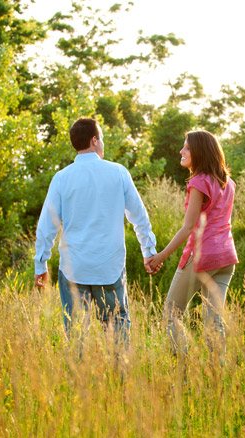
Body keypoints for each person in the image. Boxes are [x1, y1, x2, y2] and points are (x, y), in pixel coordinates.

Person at [34, 117, 157, 344]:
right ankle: (120, 378)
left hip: (74, 268)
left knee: (76, 330)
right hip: (109, 267)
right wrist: (148, 251)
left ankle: (78, 379)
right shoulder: (118, 173)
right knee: (117, 323)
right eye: (101, 138)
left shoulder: (61, 178)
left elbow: (47, 226)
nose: (102, 144)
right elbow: (139, 216)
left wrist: (41, 263)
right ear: (94, 140)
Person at [146, 130, 238, 357]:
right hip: (226, 258)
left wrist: (160, 256)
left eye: (186, 148)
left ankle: (183, 374)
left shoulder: (198, 182)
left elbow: (188, 228)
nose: (181, 151)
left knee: (171, 313)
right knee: (214, 322)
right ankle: (218, 379)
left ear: (199, 151)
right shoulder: (228, 183)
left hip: (202, 256)